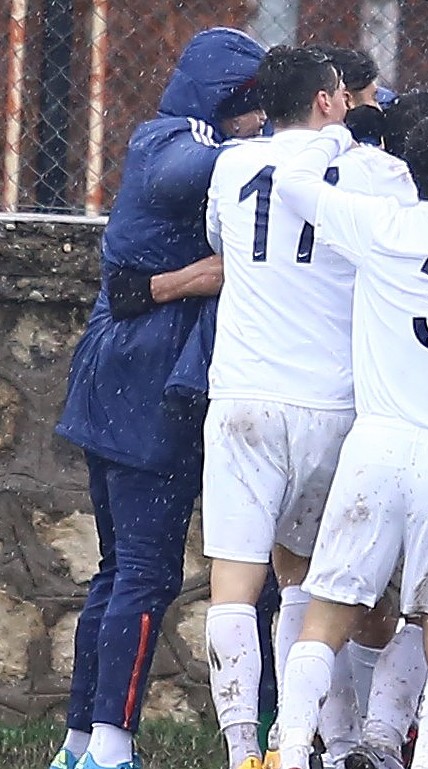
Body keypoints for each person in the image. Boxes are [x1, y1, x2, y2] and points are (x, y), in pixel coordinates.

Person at [50, 26, 266, 769]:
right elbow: (185, 172)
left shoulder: (178, 134)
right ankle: (110, 747)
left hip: (121, 381)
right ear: (227, 100)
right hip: (144, 388)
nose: (264, 121)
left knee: (118, 572)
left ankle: (82, 743)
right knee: (141, 572)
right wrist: (296, 148)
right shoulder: (168, 141)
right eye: (257, 107)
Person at [271, 106, 428, 769]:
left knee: (326, 616)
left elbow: (292, 181)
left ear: (408, 172)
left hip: (374, 450)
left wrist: (338, 130)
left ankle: (286, 751)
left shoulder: (377, 223)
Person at [199, 44, 391, 769]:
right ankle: (306, 742)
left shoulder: (232, 165)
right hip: (334, 401)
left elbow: (224, 241)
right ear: (325, 100)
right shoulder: (368, 169)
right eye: (340, 93)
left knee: (236, 581)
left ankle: (245, 748)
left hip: (246, 394)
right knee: (311, 580)